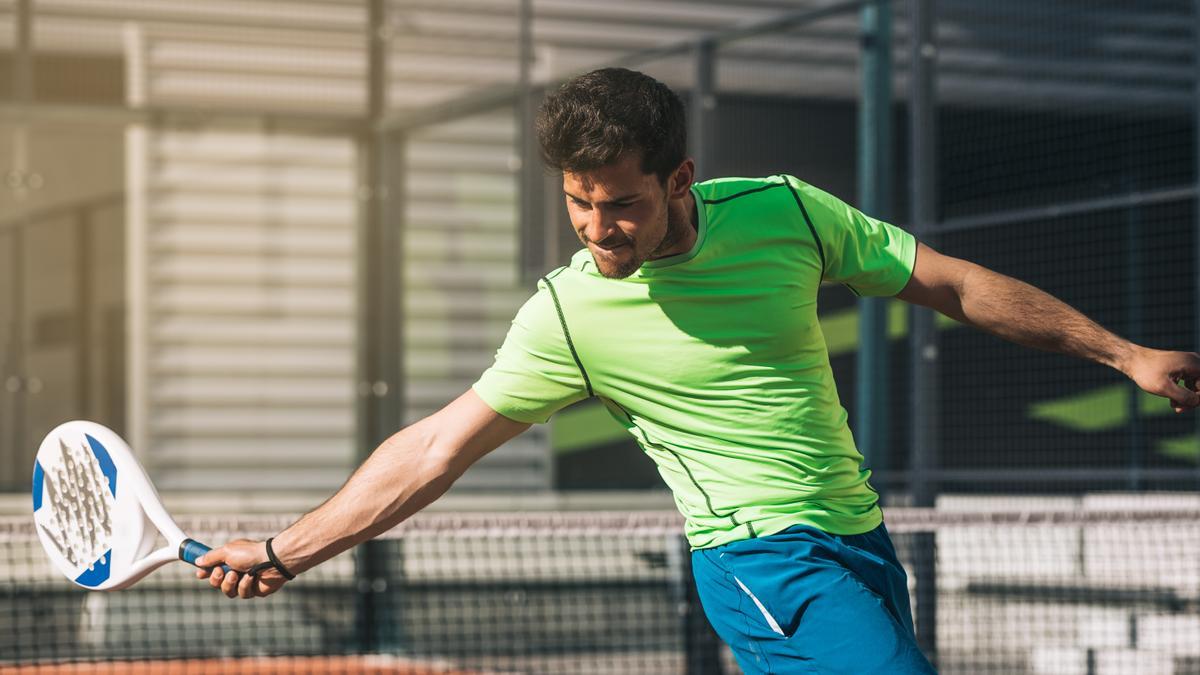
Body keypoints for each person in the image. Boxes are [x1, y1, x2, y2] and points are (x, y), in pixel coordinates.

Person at [196, 68, 1200, 673]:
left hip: (858, 540)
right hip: (762, 562)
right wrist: (291, 549)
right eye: (578, 203)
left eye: (620, 204)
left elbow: (954, 284)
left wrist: (1126, 356)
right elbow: (437, 447)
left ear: (680, 179)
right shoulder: (567, 314)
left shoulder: (784, 212)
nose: (597, 229)